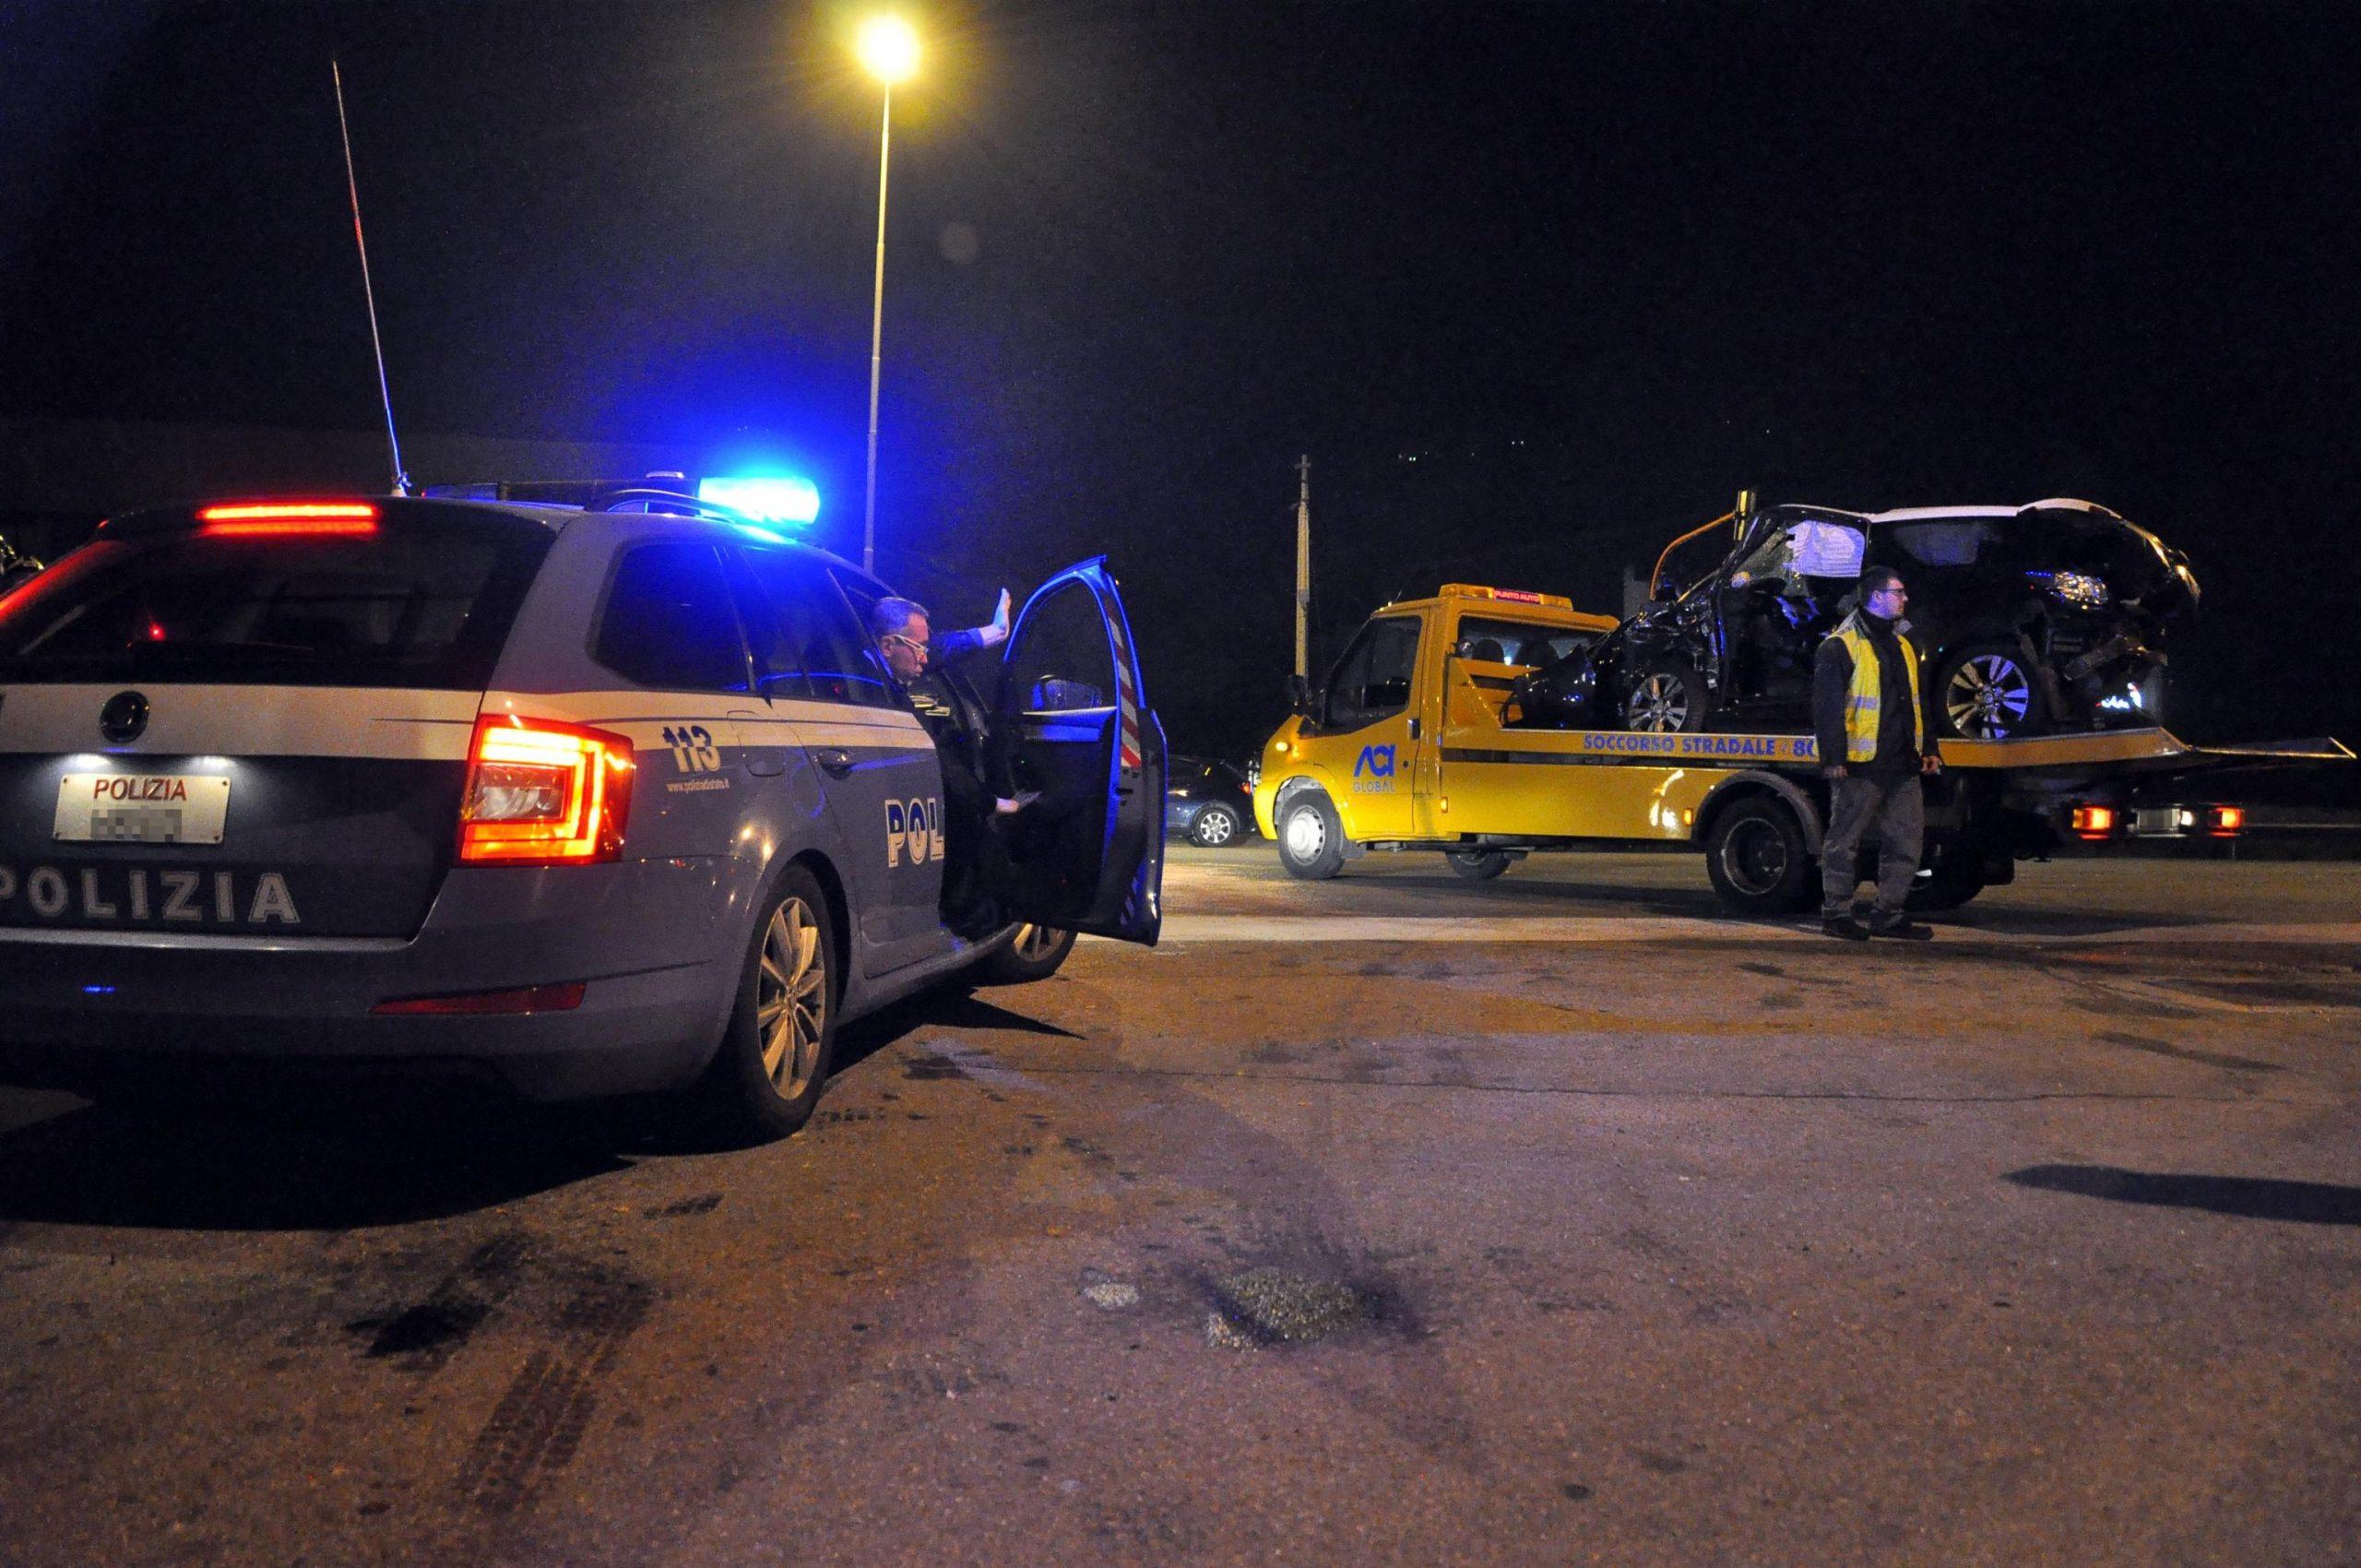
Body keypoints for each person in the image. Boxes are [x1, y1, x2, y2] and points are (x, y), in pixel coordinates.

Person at [870, 591, 1029, 935]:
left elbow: (938, 648)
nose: (926, 660)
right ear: (886, 647)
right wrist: (989, 802)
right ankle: (966, 917)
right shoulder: (876, 692)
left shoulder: (891, 662)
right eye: (918, 649)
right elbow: (942, 765)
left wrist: (995, 632)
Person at [1813, 566, 1941, 941]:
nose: (1906, 598)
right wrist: (1834, 759)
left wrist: (1928, 748)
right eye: (1899, 591)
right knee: (1843, 841)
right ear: (1875, 596)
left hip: (1902, 763)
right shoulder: (1840, 645)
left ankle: (1888, 914)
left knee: (1906, 842)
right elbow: (1827, 710)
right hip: (1860, 765)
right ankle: (1835, 914)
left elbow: (1918, 704)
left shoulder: (1903, 644)